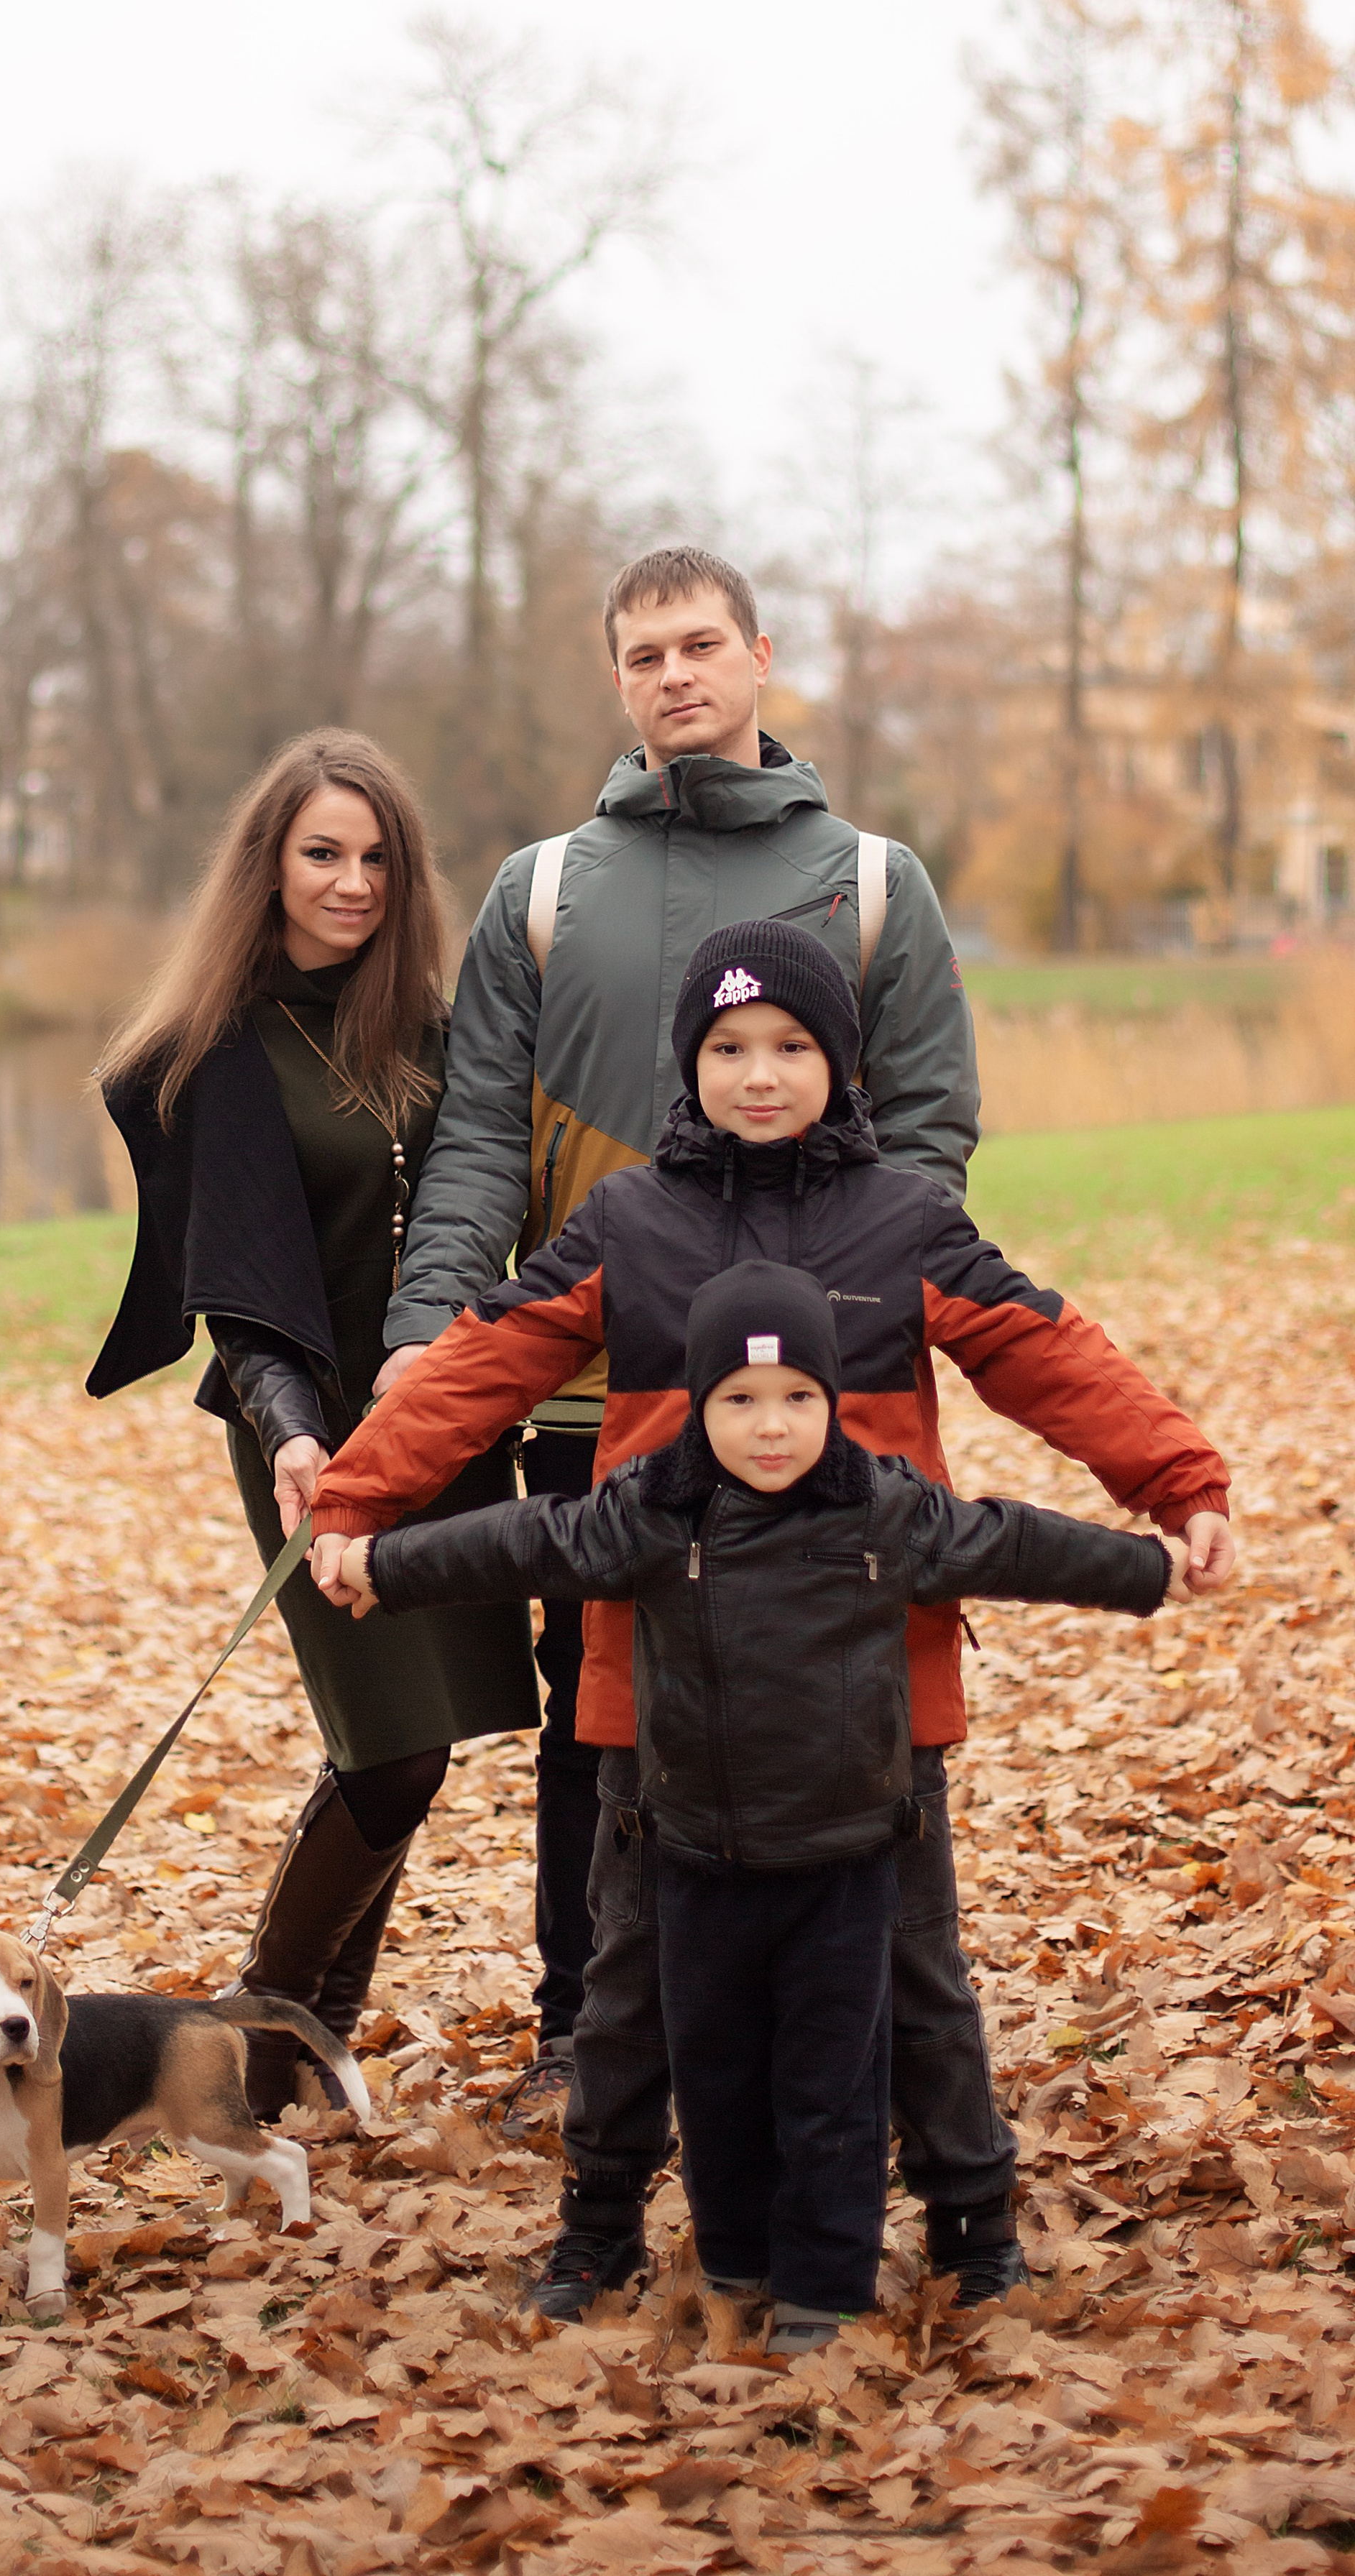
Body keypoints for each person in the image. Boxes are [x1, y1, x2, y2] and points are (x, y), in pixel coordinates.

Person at [311, 921, 1233, 2310]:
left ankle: (973, 2228)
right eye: (729, 1049)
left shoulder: (904, 1220)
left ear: (839, 1063)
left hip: (871, 1682)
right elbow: (484, 1361)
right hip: (659, 1673)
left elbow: (1047, 1352)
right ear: (690, 1067)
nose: (759, 1074)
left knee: (915, 1977)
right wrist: (359, 1500)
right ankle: (601, 2225)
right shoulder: (629, 1224)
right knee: (631, 1982)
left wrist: (1180, 1480)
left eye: (792, 1047)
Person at [369, 545, 978, 2128]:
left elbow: (923, 1137)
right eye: (642, 656)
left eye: (699, 645)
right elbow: (478, 1143)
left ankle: (854, 2028)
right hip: (590, 1389)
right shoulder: (540, 890)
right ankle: (586, 2030)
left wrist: (852, 1325)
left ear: (761, 656)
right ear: (616, 679)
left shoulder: (869, 886)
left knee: (826, 1697)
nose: (673, 676)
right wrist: (426, 1335)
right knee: (598, 1710)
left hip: (809, 1388)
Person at [334, 1261, 1187, 2355]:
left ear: (834, 1405)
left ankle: (823, 2295)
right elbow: (522, 1540)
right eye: (739, 1401)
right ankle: (738, 2264)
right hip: (697, 1858)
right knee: (720, 2078)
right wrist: (382, 1564)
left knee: (833, 2089)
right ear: (698, 1406)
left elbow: (1011, 1541)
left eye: (798, 1401)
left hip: (846, 1861)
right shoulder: (654, 1511)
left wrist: (1147, 1570)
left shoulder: (885, 1509)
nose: (771, 1427)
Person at [87, 729, 538, 2118]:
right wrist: (291, 1431)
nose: (351, 883)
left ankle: (304, 2048)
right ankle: (263, 2059)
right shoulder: (225, 1048)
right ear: (268, 867)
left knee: (425, 1738)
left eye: (375, 857)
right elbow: (241, 1282)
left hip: (447, 1419)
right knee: (389, 1741)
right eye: (321, 855)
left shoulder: (422, 1025)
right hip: (316, 1434)